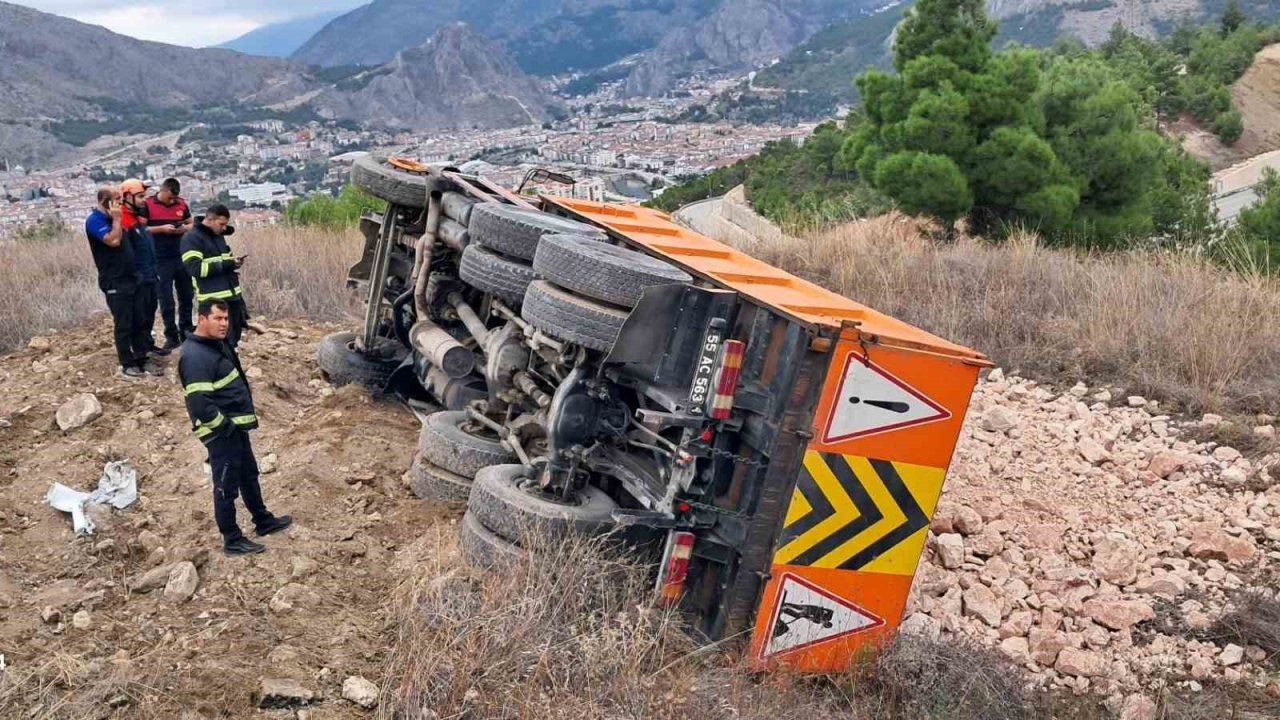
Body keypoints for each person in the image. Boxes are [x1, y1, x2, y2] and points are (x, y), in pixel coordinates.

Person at [179, 299, 291, 555]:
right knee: (226, 484)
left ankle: (263, 521)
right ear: (202, 318)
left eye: (226, 319)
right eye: (218, 319)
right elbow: (199, 404)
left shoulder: (215, 345)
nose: (224, 324)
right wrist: (224, 427)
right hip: (221, 433)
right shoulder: (195, 357)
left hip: (234, 428)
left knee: (248, 474)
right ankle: (232, 538)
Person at [85, 188, 153, 379]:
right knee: (124, 322)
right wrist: (116, 219)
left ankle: (142, 356)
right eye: (115, 200)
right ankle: (127, 362)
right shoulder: (95, 221)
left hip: (132, 276)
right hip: (114, 279)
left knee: (140, 318)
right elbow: (113, 241)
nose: (119, 204)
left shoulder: (119, 217)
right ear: (105, 201)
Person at [180, 205, 250, 348]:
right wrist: (226, 263)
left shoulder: (218, 237)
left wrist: (234, 263)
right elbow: (196, 269)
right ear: (210, 219)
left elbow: (223, 263)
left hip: (232, 296)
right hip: (212, 300)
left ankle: (231, 367)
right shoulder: (191, 238)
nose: (224, 229)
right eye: (221, 224)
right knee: (219, 343)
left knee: (233, 339)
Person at [119, 178, 169, 360]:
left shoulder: (136, 218)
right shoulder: (124, 220)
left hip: (150, 274)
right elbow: (128, 254)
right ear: (127, 197)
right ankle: (140, 355)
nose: (143, 200)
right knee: (139, 318)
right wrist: (137, 276)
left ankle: (147, 345)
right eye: (140, 196)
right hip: (139, 278)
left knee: (149, 313)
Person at [146, 178, 195, 350]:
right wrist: (161, 229)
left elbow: (191, 223)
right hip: (160, 259)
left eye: (175, 198)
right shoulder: (148, 205)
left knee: (187, 295)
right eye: (170, 198)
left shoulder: (181, 204)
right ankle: (171, 335)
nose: (172, 201)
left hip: (181, 255)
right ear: (163, 191)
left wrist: (182, 229)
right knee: (166, 299)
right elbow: (142, 229)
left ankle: (187, 330)